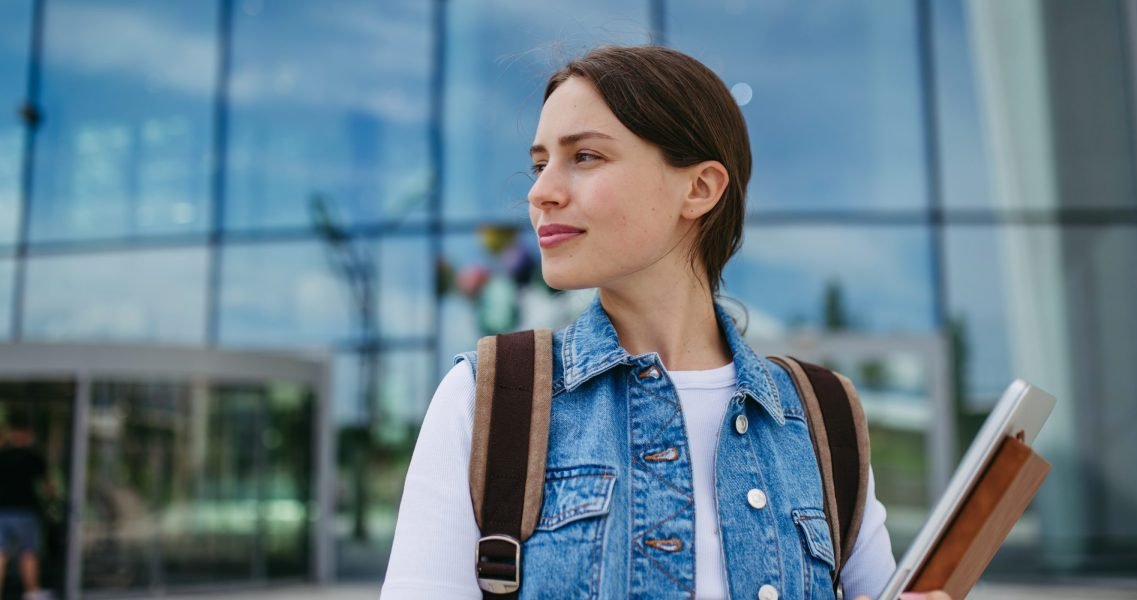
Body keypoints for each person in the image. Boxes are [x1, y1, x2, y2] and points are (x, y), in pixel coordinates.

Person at [382, 45, 948, 600]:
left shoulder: (825, 418)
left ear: (699, 188)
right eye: (539, 164)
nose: (540, 192)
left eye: (585, 157)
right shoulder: (488, 398)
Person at [0, 409, 54, 600]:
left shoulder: (2, 455)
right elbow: (49, 487)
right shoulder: (33, 457)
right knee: (28, 553)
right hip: (25, 511)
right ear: (27, 434)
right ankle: (31, 592)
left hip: (2, 510)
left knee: (1, 554)